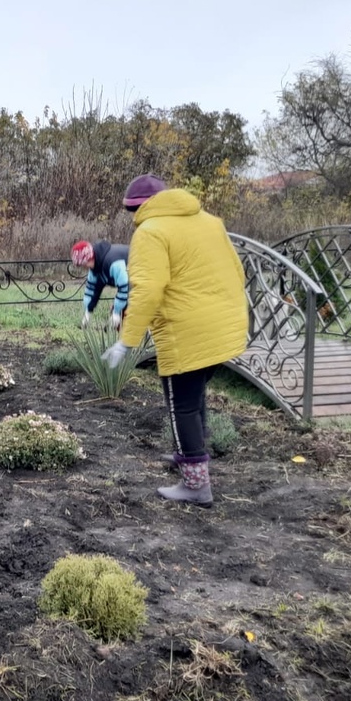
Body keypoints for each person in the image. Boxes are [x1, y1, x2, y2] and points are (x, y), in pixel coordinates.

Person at [101, 174, 248, 507]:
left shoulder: (151, 233)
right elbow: (238, 270)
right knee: (194, 397)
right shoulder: (210, 221)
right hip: (224, 325)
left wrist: (126, 340)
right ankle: (191, 451)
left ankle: (196, 484)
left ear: (136, 208)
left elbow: (147, 291)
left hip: (188, 332)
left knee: (179, 403)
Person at [71, 239, 131, 331]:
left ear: (89, 258)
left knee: (127, 315)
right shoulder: (94, 269)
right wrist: (88, 311)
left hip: (144, 271)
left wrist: (116, 312)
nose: (83, 267)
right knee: (118, 320)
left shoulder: (114, 263)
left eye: (83, 264)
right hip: (130, 282)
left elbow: (124, 287)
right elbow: (92, 290)